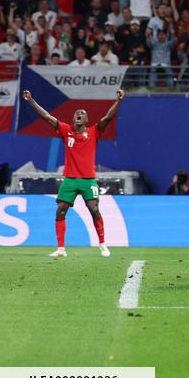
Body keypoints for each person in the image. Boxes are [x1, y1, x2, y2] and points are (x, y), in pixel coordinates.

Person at [21, 89, 124, 258]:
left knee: (94, 209)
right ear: (73, 118)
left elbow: (108, 117)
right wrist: (31, 100)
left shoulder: (94, 131)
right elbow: (46, 116)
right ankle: (61, 248)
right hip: (69, 179)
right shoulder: (65, 130)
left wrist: (118, 101)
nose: (79, 114)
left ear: (86, 119)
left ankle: (102, 244)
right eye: (77, 113)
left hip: (88, 180)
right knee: (61, 210)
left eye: (82, 113)